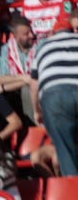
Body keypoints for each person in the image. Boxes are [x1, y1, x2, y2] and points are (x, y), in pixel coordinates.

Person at [31, 16, 78, 175]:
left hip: (54, 95)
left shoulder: (43, 47)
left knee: (65, 151)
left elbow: (33, 84)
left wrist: (36, 111)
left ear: (53, 32)